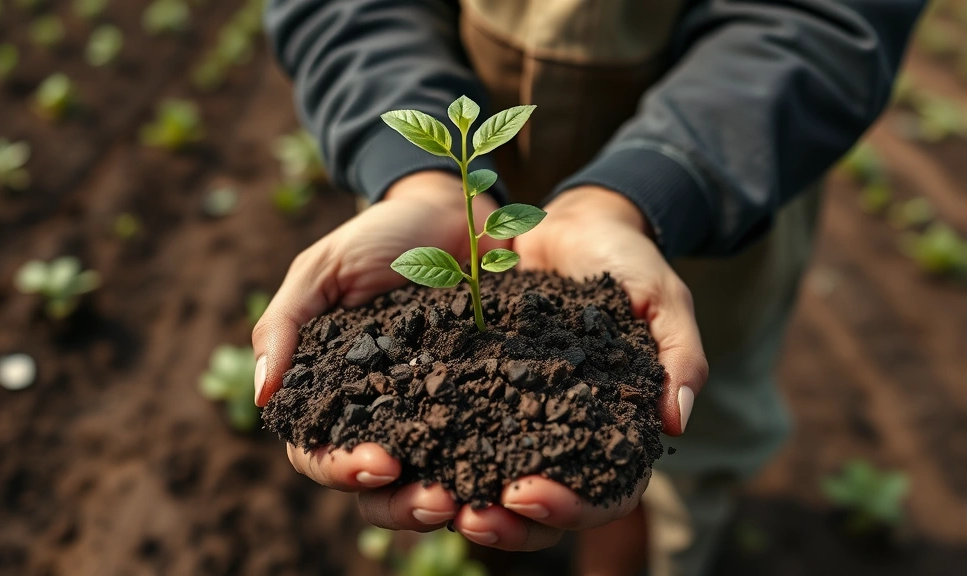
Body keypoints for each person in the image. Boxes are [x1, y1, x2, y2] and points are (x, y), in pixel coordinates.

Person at [251, 1, 923, 574]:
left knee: (678, 444)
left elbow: (827, 21)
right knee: (461, 507)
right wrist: (418, 175)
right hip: (460, 135)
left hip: (709, 195)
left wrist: (655, 183)